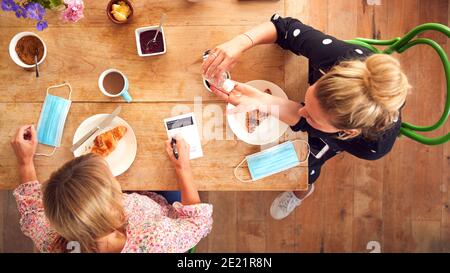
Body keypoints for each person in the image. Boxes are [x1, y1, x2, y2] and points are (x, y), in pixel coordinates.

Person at [203, 14, 410, 220]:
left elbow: (305, 123)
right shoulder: (337, 56)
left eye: (311, 115)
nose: (301, 110)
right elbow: (284, 27)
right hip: (333, 111)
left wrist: (268, 103)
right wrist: (239, 43)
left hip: (331, 140)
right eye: (309, 95)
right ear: (328, 73)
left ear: (347, 131)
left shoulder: (371, 147)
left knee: (303, 170)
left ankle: (301, 192)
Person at [10, 124, 213, 252]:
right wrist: (182, 167)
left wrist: (25, 162)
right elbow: (198, 223)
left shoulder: (50, 238)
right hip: (165, 211)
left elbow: (32, 215)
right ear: (118, 210)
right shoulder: (155, 238)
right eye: (113, 183)